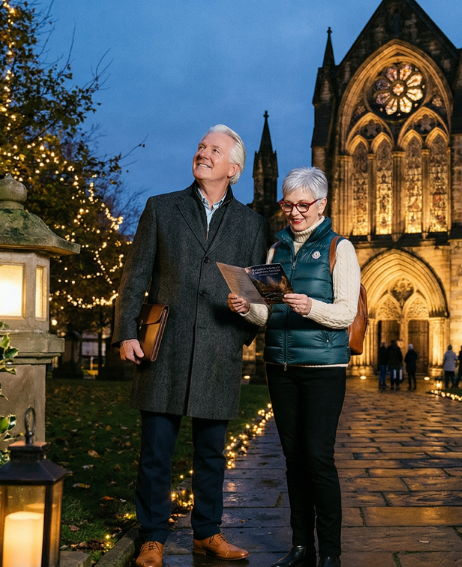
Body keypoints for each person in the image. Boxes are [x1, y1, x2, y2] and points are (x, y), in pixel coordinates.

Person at [112, 125, 266, 566]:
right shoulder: (161, 208)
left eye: (214, 150)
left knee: (212, 453)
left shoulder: (252, 224)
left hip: (219, 349)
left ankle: (207, 533)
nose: (203, 153)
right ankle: (152, 537)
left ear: (233, 168)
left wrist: (240, 334)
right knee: (156, 452)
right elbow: (135, 276)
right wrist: (126, 332)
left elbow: (257, 295)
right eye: (201, 146)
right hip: (164, 349)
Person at [231, 166, 360, 567]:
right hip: (280, 367)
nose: (294, 212)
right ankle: (302, 547)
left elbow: (346, 313)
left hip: (323, 367)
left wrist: (311, 306)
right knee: (292, 458)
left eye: (303, 204)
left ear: (321, 204)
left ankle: (331, 554)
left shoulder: (342, 249)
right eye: (288, 204)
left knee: (318, 457)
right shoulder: (276, 251)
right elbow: (270, 316)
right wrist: (247, 309)